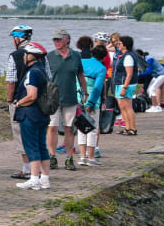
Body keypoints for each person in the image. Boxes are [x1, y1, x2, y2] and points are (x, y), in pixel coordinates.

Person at [12, 42, 53, 190]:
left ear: (31, 56)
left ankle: (34, 179)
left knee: (31, 146)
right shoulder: (42, 70)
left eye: (25, 54)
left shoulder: (32, 72)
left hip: (30, 115)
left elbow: (32, 95)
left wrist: (18, 103)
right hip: (42, 115)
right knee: (42, 146)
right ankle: (45, 179)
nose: (23, 56)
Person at [46, 29, 88, 171]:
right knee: (52, 127)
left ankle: (69, 158)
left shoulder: (76, 56)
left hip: (71, 98)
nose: (56, 42)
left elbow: (80, 75)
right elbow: (44, 76)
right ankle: (52, 156)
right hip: (53, 98)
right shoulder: (49, 56)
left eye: (59, 39)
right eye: (54, 40)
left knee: (69, 128)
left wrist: (85, 92)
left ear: (67, 40)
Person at [5, 24, 35, 180]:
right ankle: (37, 169)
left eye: (13, 38)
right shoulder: (40, 53)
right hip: (37, 101)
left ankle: (27, 169)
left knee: (20, 133)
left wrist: (10, 100)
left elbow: (11, 81)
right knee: (36, 133)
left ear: (18, 38)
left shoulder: (15, 55)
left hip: (20, 101)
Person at [79, 43, 108, 166]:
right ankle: (91, 158)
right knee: (93, 129)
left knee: (81, 128)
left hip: (79, 98)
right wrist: (91, 103)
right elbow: (97, 88)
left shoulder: (82, 62)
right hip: (93, 100)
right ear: (104, 57)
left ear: (92, 53)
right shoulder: (101, 68)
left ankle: (82, 157)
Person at [112, 35, 139, 135]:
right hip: (120, 83)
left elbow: (129, 74)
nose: (118, 45)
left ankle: (133, 128)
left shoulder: (128, 57)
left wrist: (125, 88)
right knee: (122, 106)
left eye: (120, 43)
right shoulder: (122, 55)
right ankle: (127, 127)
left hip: (126, 84)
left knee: (127, 106)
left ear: (125, 45)